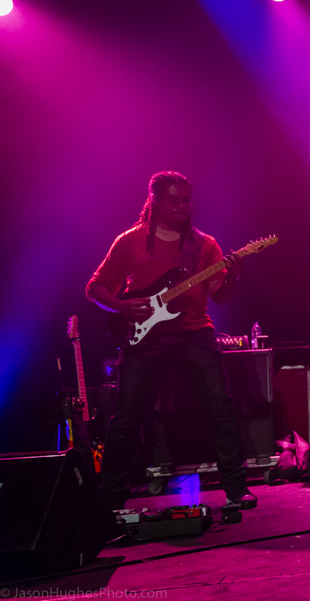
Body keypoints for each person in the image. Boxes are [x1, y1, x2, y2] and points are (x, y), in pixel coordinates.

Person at [86, 171, 256, 509]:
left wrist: (233, 275)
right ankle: (110, 500)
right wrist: (121, 306)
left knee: (222, 410)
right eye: (173, 200)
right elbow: (94, 288)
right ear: (154, 201)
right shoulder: (129, 241)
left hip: (194, 333)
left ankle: (237, 489)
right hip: (145, 340)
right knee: (127, 418)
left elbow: (219, 295)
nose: (181, 206)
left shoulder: (204, 245)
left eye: (186, 200)